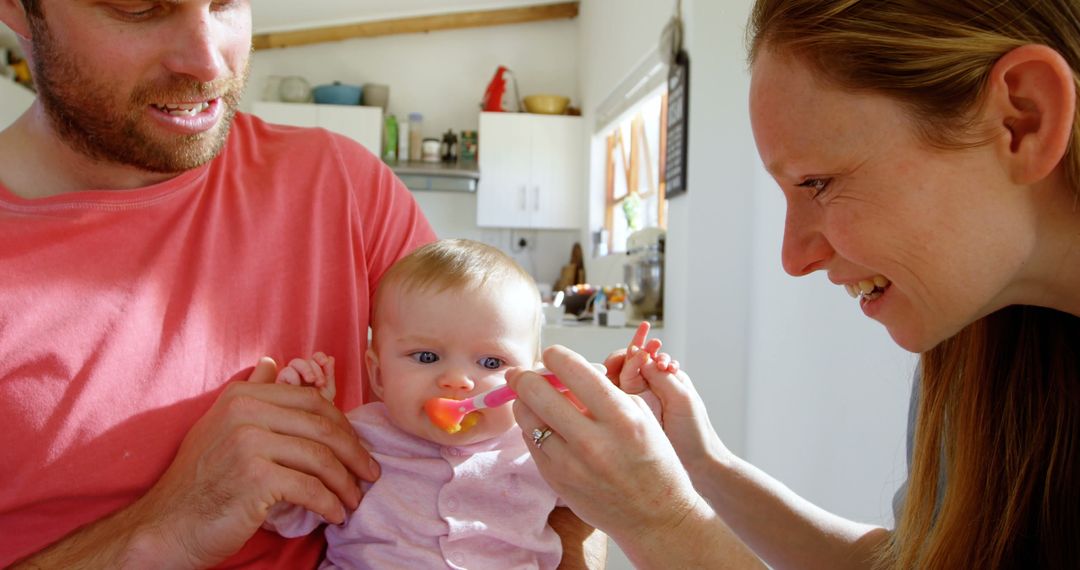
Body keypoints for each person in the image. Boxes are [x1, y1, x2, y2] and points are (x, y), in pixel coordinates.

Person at [507, 1, 1080, 568]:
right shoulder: (986, 349)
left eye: (819, 183)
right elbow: (912, 561)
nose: (794, 258)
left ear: (1022, 119)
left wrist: (657, 518)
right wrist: (702, 463)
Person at [0, 0, 442, 566]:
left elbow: (504, 448)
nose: (208, 64)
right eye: (138, 8)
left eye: (226, 2)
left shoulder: (343, 187)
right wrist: (168, 526)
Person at [264, 239, 604, 569]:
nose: (457, 380)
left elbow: (607, 495)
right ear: (379, 375)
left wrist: (626, 399)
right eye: (427, 357)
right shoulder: (355, 439)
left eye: (490, 363)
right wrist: (302, 423)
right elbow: (287, 517)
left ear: (530, 377)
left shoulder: (537, 445)